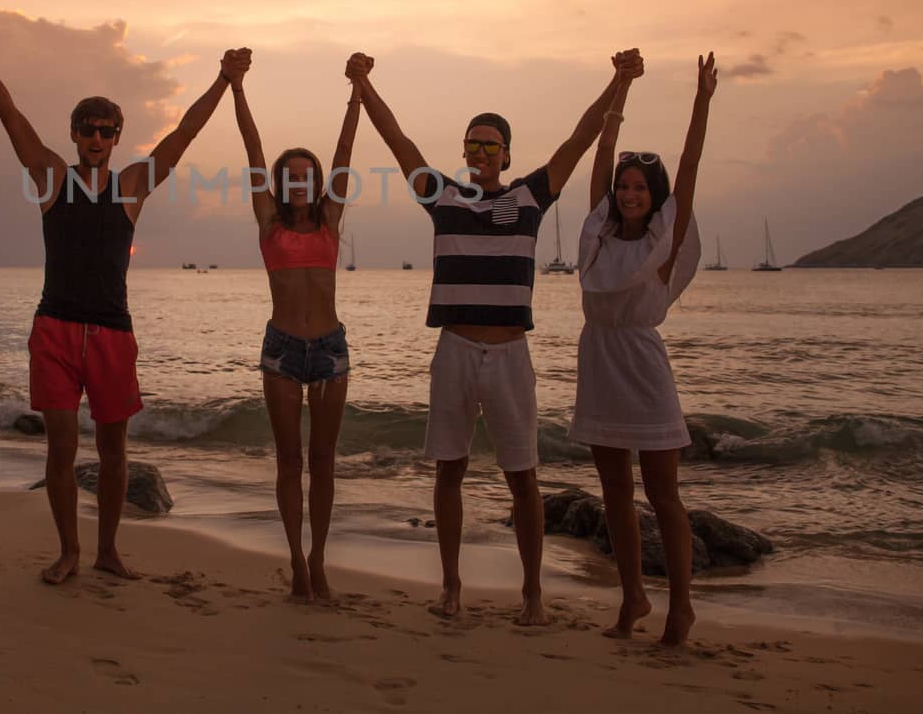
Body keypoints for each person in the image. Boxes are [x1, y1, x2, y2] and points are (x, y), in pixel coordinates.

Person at [346, 48, 643, 622]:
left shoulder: (531, 195)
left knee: (522, 475)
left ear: (507, 153)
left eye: (492, 145)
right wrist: (363, 84)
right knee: (449, 470)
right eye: (473, 144)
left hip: (509, 353)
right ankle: (451, 588)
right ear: (463, 152)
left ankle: (532, 593)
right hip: (455, 349)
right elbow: (397, 139)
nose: (481, 153)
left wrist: (616, 82)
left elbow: (581, 139)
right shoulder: (443, 196)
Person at [0, 20, 237, 584]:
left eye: (106, 130)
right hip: (55, 328)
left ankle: (107, 549)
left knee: (113, 451)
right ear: (75, 132)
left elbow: (183, 134)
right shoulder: (52, 178)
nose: (96, 138)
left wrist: (224, 80)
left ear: (116, 135)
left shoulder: (131, 185)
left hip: (111, 332)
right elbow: (9, 116)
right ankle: (68, 552)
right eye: (87, 129)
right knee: (60, 449)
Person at [569, 52, 717, 647]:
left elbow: (689, 169)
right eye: (624, 186)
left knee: (664, 495)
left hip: (643, 367)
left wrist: (701, 101)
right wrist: (621, 91)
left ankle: (682, 606)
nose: (630, 193)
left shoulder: (664, 240)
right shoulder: (597, 239)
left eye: (639, 188)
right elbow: (602, 155)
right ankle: (632, 595)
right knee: (614, 495)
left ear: (653, 197)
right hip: (599, 362)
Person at [226, 48, 361, 601]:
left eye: (309, 177)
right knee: (289, 461)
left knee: (324, 462)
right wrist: (236, 87)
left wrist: (357, 92)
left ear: (318, 183)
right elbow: (253, 150)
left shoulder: (330, 221)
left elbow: (346, 150)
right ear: (281, 184)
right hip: (282, 351)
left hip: (329, 349)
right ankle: (295, 563)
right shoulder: (268, 222)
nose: (301, 184)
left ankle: (321, 559)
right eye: (292, 177)